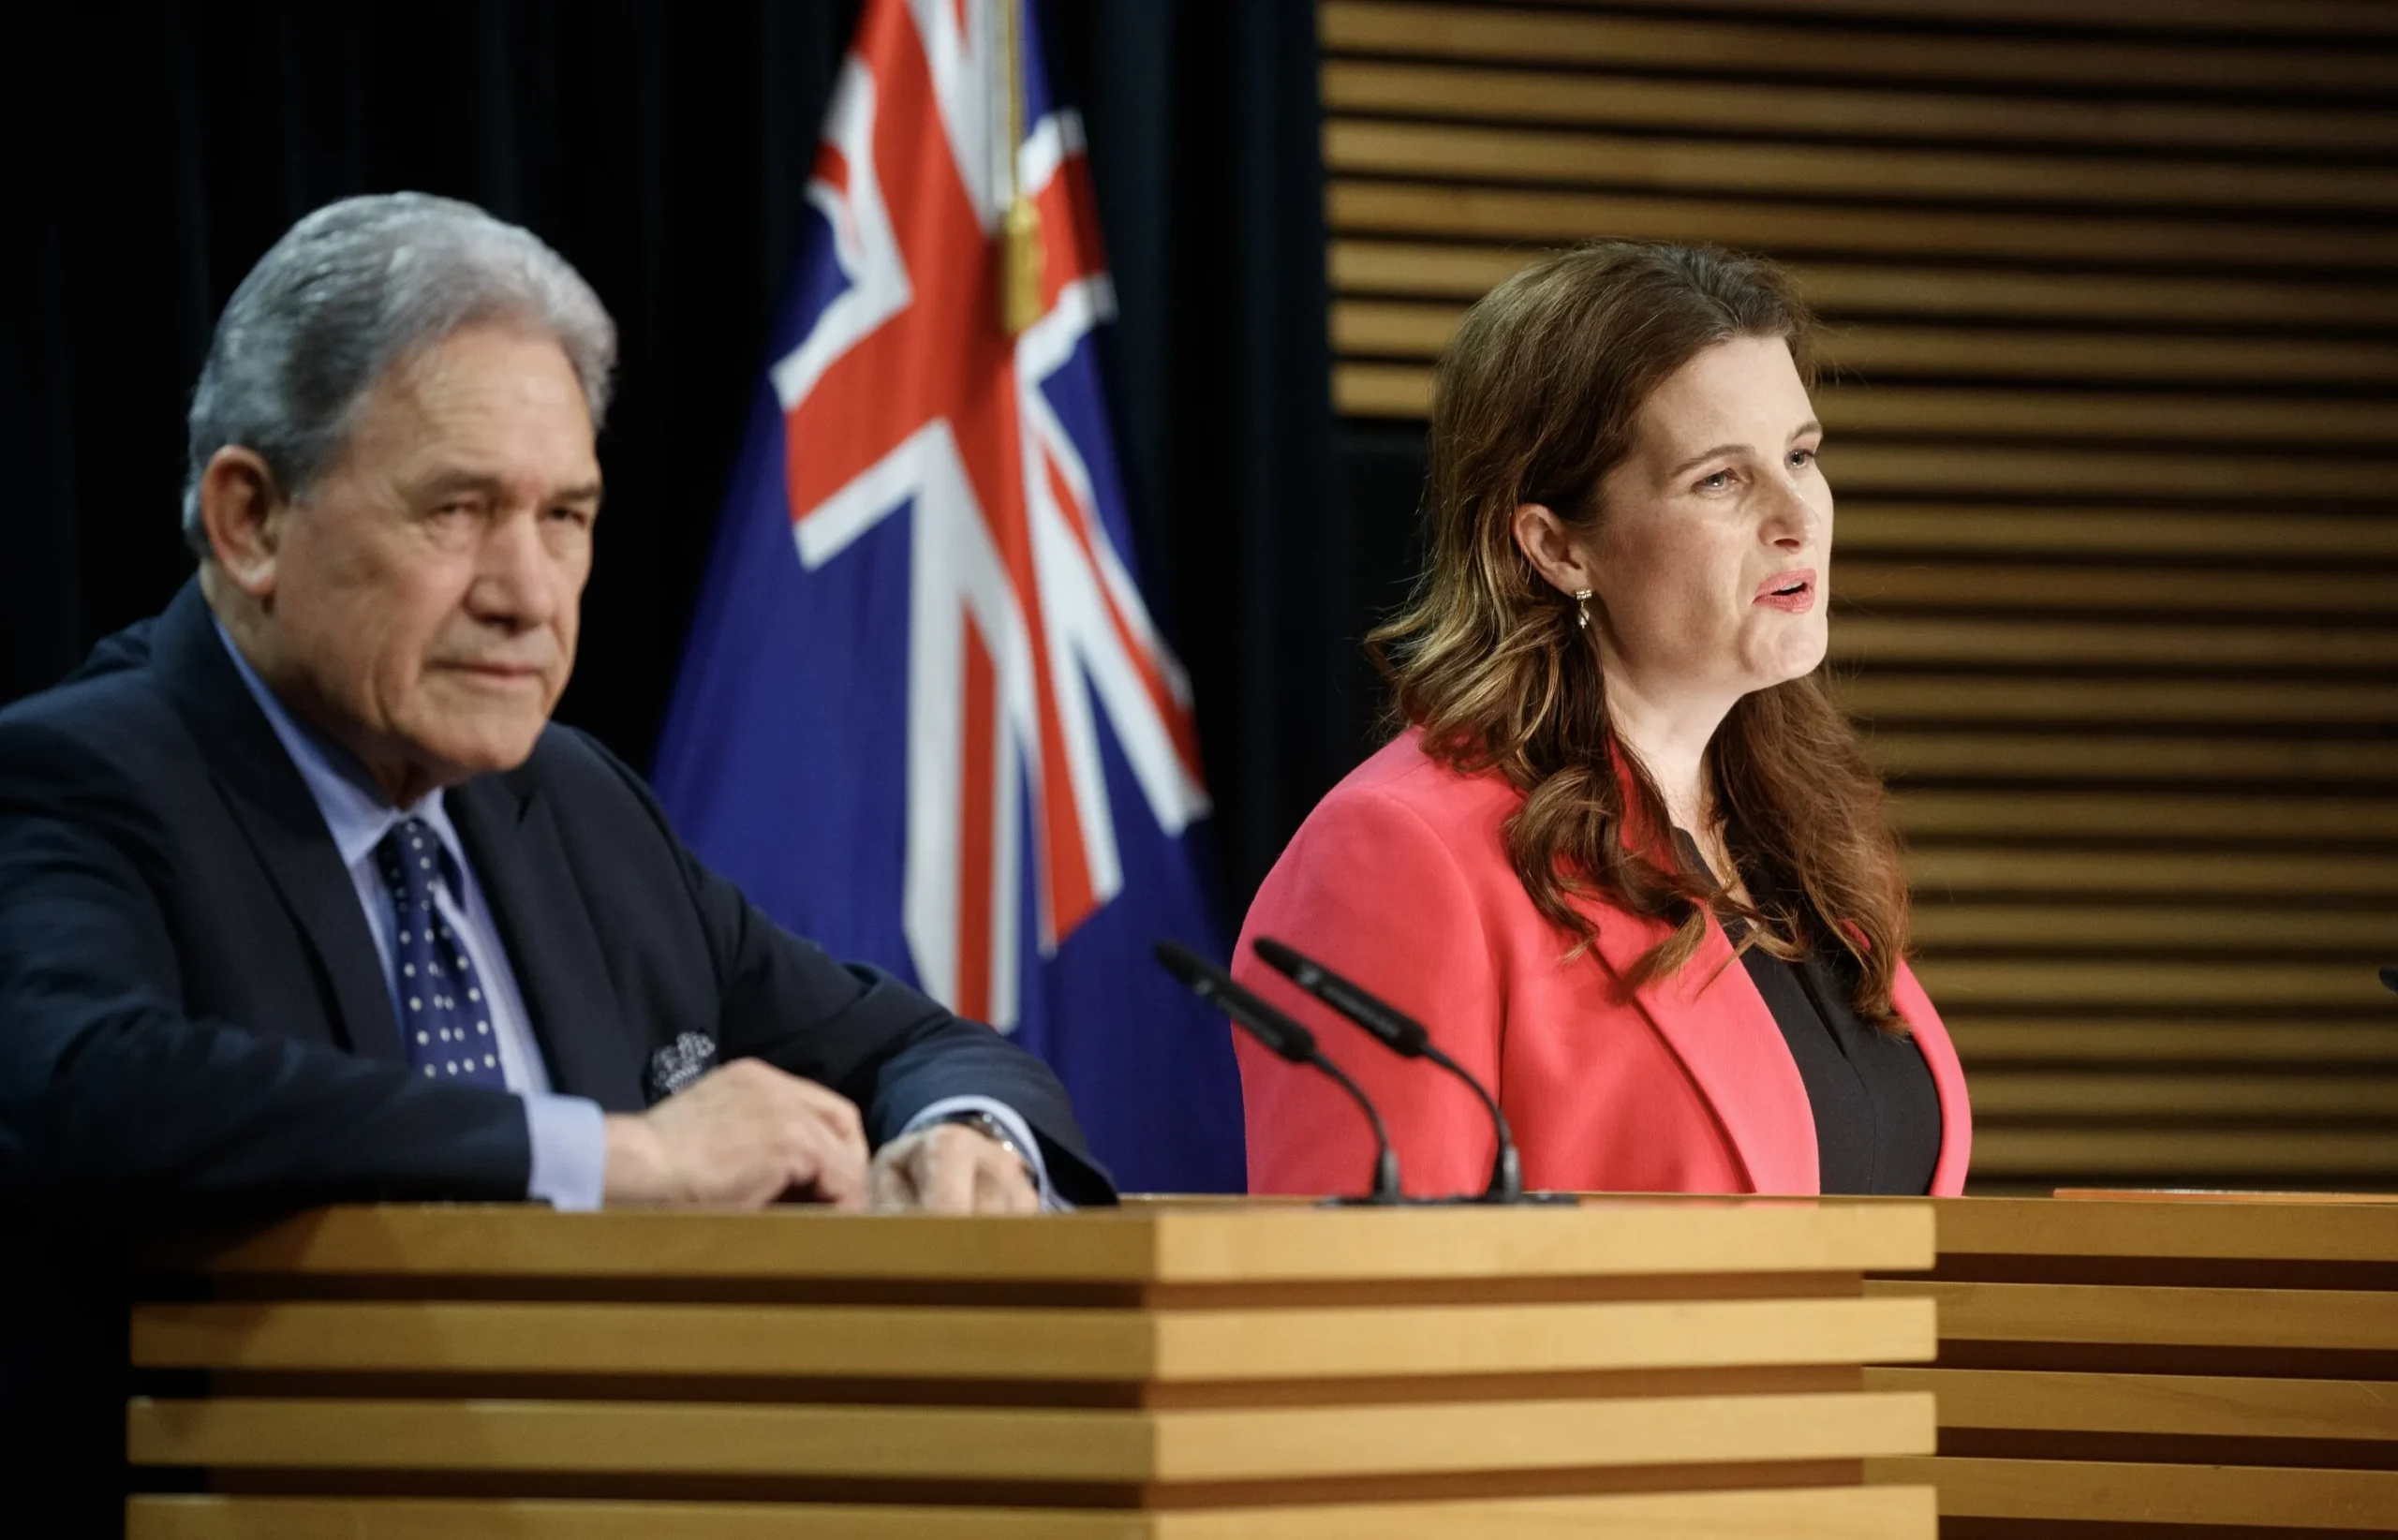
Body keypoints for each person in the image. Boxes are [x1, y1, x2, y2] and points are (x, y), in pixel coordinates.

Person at [0, 194, 1111, 1520]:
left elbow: (926, 1046)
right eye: (457, 510)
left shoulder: (568, 804)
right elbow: (93, 1087)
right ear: (250, 523)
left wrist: (961, 1137)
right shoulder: (76, 778)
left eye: (566, 518)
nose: (528, 593)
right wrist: (612, 1160)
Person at [1233, 242, 1971, 1200]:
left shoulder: (1793, 835)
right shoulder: (1401, 855)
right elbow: (1365, 1319)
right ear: (1557, 547)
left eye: (1800, 455)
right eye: (1720, 479)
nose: (1798, 516)